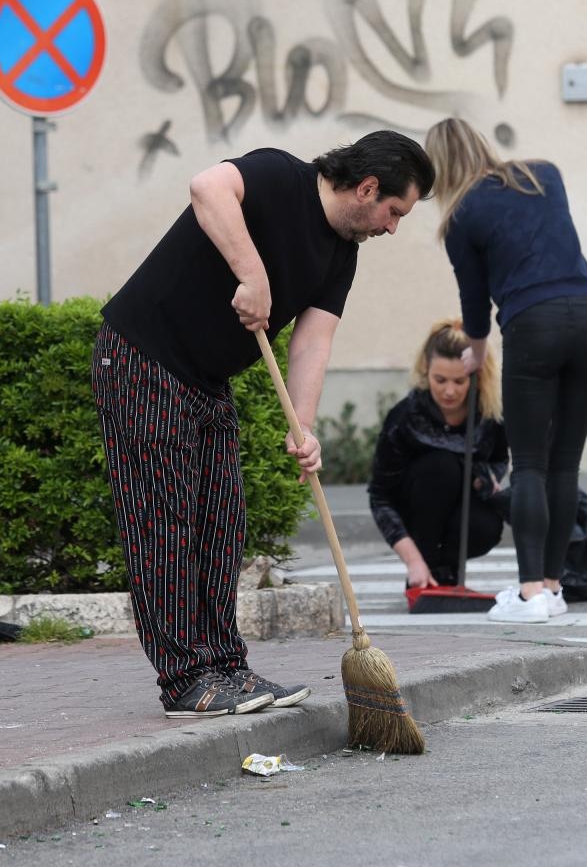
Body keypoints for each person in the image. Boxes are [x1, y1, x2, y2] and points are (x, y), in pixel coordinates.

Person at [93, 131, 434, 718]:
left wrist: (303, 426)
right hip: (142, 358)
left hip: (206, 381)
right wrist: (252, 276)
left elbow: (313, 340)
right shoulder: (280, 177)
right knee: (165, 527)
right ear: (368, 188)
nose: (392, 227)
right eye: (394, 212)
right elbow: (208, 188)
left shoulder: (341, 254)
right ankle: (184, 681)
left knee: (221, 523)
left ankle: (227, 667)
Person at [424, 118, 587, 624]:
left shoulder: (460, 217)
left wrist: (476, 352)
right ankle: (552, 586)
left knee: (529, 463)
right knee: (565, 463)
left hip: (533, 326)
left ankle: (530, 596)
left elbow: (474, 303)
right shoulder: (544, 175)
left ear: (440, 167)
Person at [369, 319, 510, 590]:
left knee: (488, 525)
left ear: (477, 376)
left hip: (462, 510)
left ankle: (444, 570)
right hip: (415, 511)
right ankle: (423, 568)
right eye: (440, 380)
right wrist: (413, 560)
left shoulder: (489, 416)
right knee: (441, 466)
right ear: (426, 369)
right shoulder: (406, 417)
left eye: (460, 381)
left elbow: (499, 459)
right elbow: (380, 496)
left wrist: (487, 476)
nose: (449, 391)